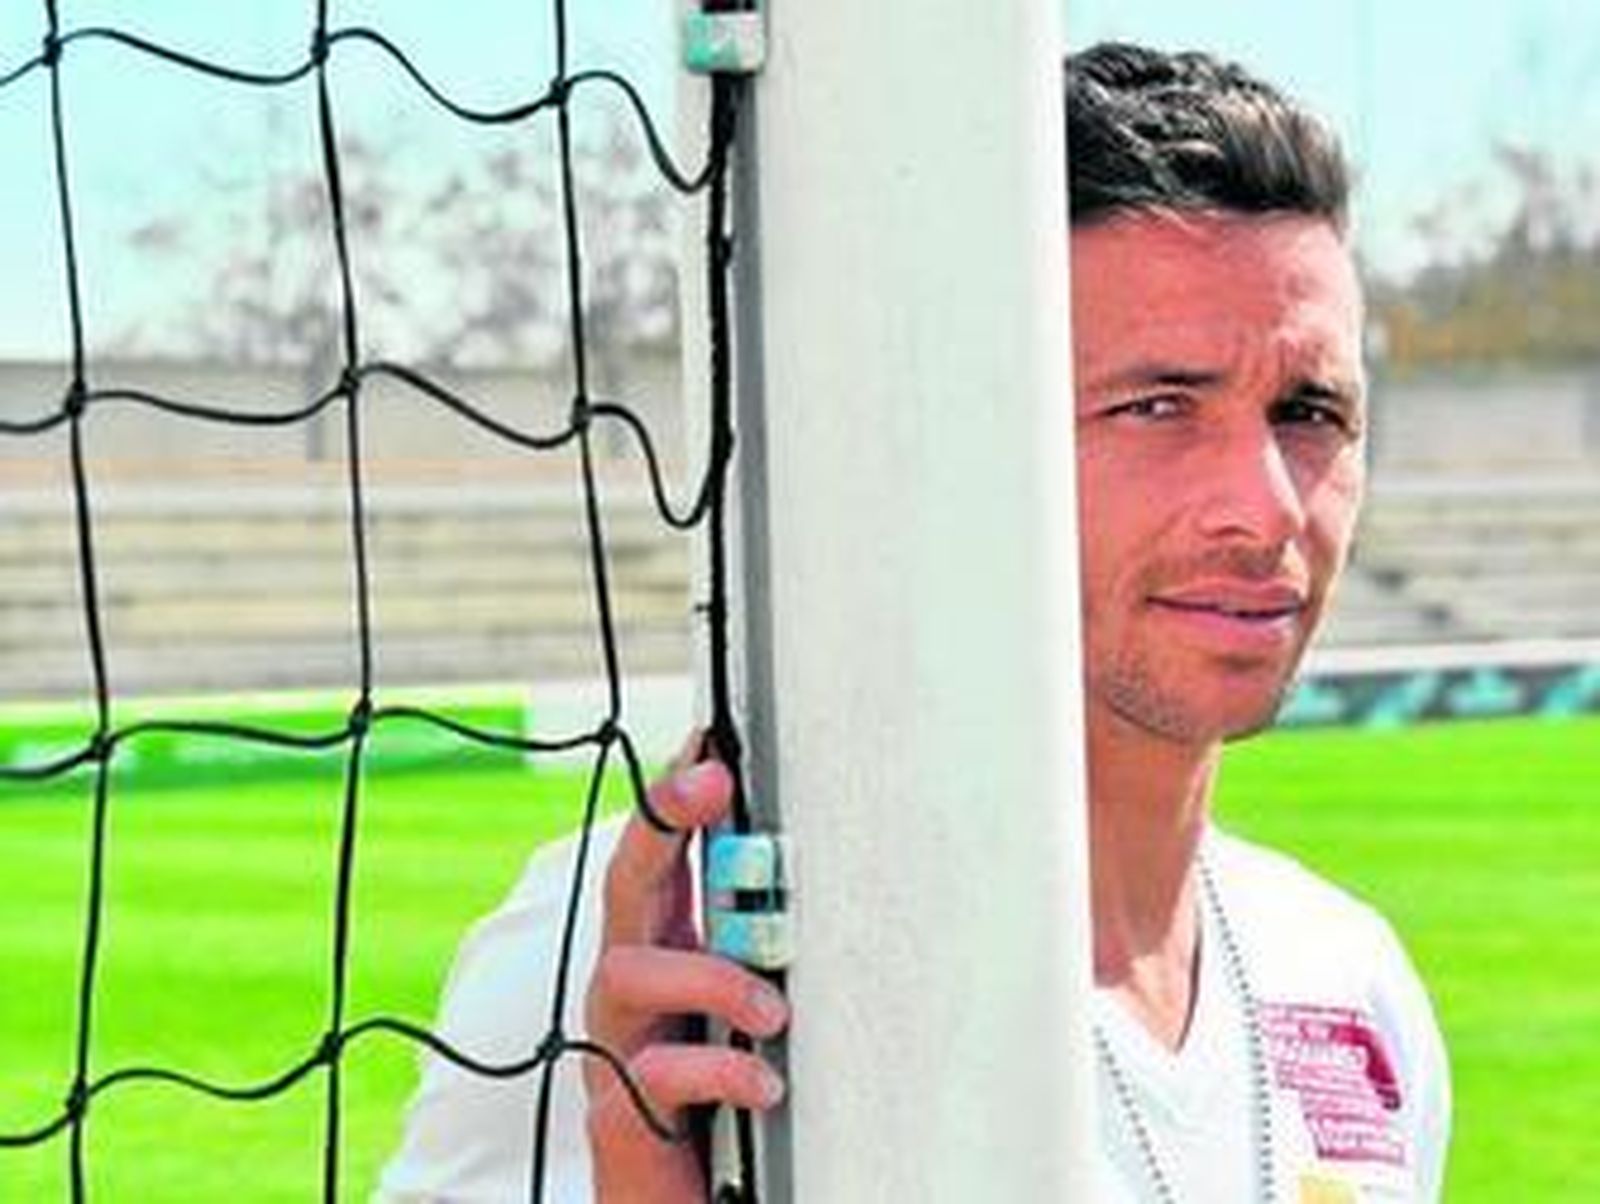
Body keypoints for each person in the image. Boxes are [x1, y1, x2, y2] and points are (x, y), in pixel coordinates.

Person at [379, 42, 1451, 1203]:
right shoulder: (659, 962)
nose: (1267, 504)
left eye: (1309, 411)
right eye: (1155, 406)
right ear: (964, 432)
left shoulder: (1347, 984)